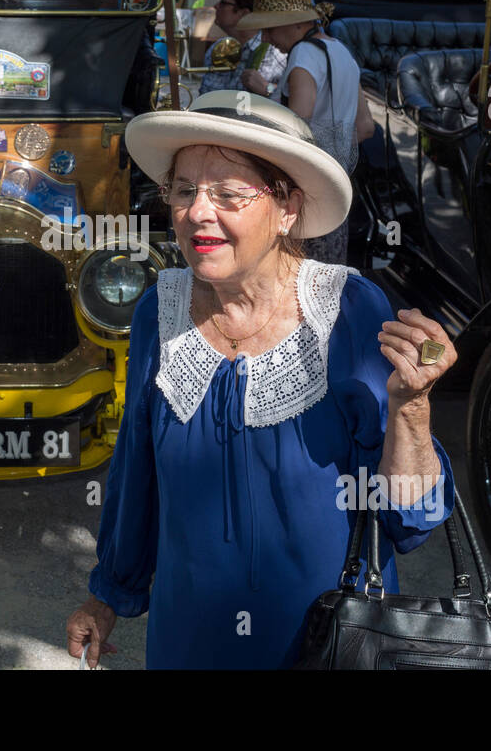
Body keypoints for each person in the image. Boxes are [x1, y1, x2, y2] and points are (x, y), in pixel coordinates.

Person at [64, 90, 456, 669]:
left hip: (326, 642)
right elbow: (136, 469)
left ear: (287, 210)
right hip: (188, 638)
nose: (198, 212)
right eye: (183, 190)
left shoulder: (346, 311)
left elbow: (406, 517)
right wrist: (108, 596)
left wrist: (412, 407)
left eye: (228, 194)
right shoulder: (159, 311)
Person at [236, 0, 374, 264]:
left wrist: (264, 94)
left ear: (296, 23)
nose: (265, 38)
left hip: (302, 197)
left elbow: (296, 129)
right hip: (336, 192)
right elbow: (365, 128)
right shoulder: (342, 52)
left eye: (269, 27)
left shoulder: (302, 56)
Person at [199, 0, 287, 97]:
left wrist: (267, 88)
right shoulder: (218, 47)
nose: (216, 6)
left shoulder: (275, 53)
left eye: (224, 2)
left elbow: (293, 100)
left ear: (244, 13)